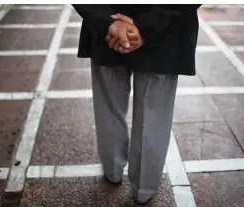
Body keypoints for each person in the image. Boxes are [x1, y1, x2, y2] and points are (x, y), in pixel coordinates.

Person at [72, 4, 202, 204]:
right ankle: (144, 188)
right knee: (154, 113)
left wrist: (107, 21)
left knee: (108, 106)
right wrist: (148, 25)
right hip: (166, 27)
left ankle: (112, 170)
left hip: (107, 24)